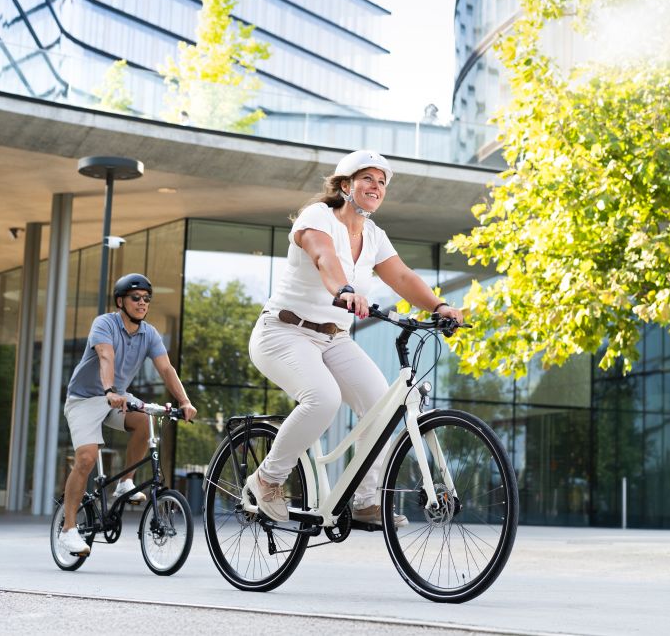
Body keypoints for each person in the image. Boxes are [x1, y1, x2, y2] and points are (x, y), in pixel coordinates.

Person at [246, 149, 464, 526]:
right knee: (323, 398)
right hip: (283, 332)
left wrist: (438, 306)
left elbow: (401, 277)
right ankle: (267, 478)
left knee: (381, 407)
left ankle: (364, 501)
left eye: (382, 182)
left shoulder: (374, 236)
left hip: (334, 338)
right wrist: (343, 289)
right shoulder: (318, 217)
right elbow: (322, 257)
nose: (376, 187)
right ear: (345, 185)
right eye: (368, 179)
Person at [57, 273, 198, 555]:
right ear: (121, 301)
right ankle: (68, 529)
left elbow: (166, 369)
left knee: (147, 420)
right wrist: (109, 389)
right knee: (85, 459)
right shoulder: (104, 323)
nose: (142, 302)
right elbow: (106, 356)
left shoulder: (149, 334)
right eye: (136, 298)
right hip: (86, 398)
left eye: (147, 298)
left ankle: (124, 484)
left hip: (118, 398)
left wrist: (184, 400)